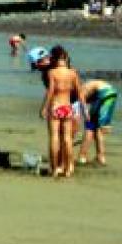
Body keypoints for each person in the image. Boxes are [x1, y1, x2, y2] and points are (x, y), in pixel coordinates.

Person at [40, 45, 83, 178]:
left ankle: (54, 169)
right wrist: (85, 111)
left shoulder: (52, 73)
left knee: (54, 137)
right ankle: (68, 169)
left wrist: (44, 107)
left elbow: (51, 91)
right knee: (67, 138)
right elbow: (79, 92)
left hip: (55, 107)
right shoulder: (73, 72)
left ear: (54, 58)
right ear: (66, 58)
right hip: (67, 107)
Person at [76, 79, 118, 167]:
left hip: (103, 93)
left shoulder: (79, 90)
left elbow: (83, 105)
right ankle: (100, 157)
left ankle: (83, 156)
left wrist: (86, 115)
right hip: (112, 94)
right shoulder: (89, 88)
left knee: (90, 127)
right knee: (98, 127)